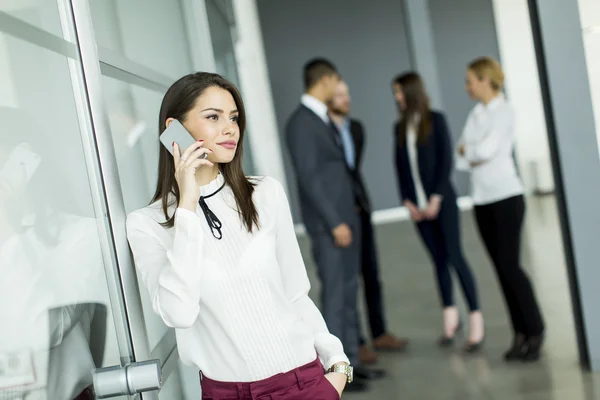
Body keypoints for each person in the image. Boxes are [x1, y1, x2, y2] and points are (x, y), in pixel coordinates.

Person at [126, 72, 352, 400]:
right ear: (174, 129)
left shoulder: (266, 193)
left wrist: (337, 365)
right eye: (213, 117)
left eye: (233, 117)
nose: (230, 128)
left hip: (306, 383)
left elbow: (295, 294)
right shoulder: (146, 224)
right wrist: (187, 206)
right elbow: (179, 312)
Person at [285, 59, 381, 393]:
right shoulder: (301, 123)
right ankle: (337, 370)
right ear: (324, 80)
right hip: (332, 226)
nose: (338, 88)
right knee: (336, 297)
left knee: (349, 291)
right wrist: (335, 221)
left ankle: (352, 363)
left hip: (345, 221)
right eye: (335, 81)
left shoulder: (320, 118)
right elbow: (310, 179)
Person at [458, 57, 545, 361]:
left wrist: (470, 150)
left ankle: (535, 330)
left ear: (485, 79)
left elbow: (484, 150)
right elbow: (463, 158)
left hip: (507, 197)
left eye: (470, 80)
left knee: (510, 265)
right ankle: (519, 333)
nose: (467, 86)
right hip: (481, 200)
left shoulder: (505, 111)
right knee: (500, 269)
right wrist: (471, 151)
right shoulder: (475, 115)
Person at [391, 72, 484, 351]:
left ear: (411, 91)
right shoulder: (399, 127)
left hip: (442, 204)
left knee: (455, 257)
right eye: (394, 93)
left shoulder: (437, 120)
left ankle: (476, 321)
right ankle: (450, 320)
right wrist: (408, 202)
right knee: (438, 261)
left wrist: (435, 198)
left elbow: (446, 162)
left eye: (399, 91)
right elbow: (400, 169)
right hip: (417, 209)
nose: (396, 97)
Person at [328, 79, 409, 364]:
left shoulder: (356, 128)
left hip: (361, 209)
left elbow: (351, 171)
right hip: (341, 216)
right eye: (340, 95)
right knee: (349, 280)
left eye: (347, 93)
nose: (347, 99)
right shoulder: (324, 132)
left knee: (372, 274)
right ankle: (357, 341)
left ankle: (379, 333)